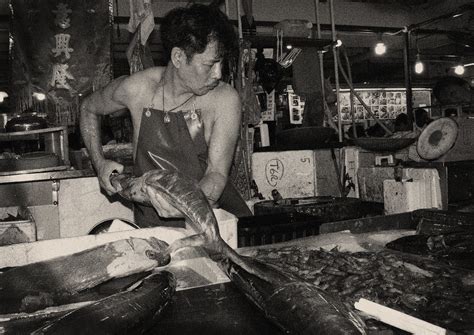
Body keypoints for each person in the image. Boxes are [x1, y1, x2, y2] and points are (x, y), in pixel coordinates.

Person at [80, 4, 252, 228]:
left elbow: (217, 174)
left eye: (221, 64)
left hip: (211, 225)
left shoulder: (224, 99)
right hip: (152, 227)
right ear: (178, 57)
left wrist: (185, 202)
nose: (218, 74)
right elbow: (88, 109)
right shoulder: (138, 89)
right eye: (210, 64)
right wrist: (99, 163)